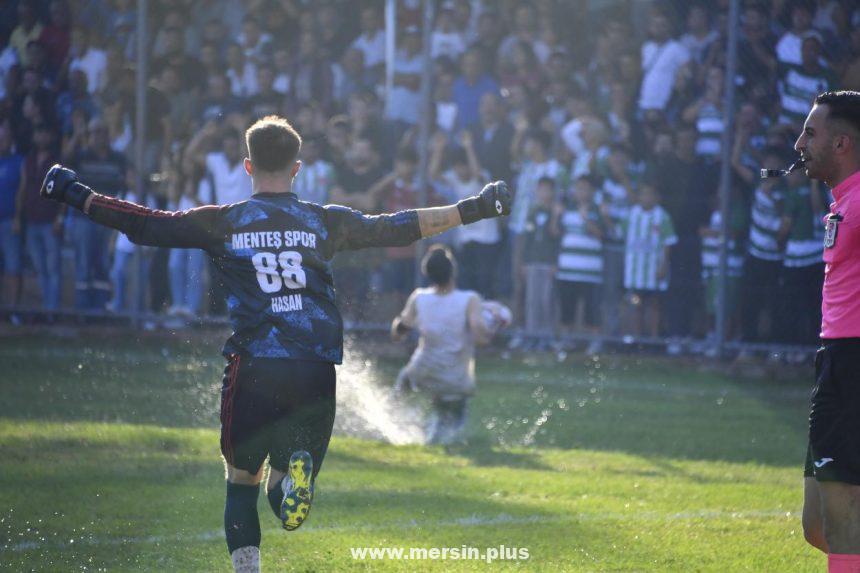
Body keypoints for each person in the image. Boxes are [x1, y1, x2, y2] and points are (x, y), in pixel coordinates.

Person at [39, 114, 510, 573]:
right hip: (314, 368)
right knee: (282, 489)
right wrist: (475, 207)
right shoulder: (324, 221)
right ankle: (291, 482)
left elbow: (147, 223)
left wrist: (77, 194)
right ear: (297, 168)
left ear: (247, 165)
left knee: (241, 483)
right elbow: (400, 225)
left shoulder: (225, 222)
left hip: (255, 366)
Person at [795, 91, 860, 570]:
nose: (800, 142)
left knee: (843, 526)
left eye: (810, 133)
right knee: (817, 526)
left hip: (854, 364)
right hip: (834, 362)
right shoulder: (843, 201)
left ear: (841, 144)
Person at [390, 245, 499, 445]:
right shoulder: (469, 299)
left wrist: (400, 325)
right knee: (450, 431)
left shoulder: (419, 297)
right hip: (455, 379)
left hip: (423, 371)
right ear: (453, 271)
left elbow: (398, 334)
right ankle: (438, 436)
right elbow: (481, 338)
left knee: (402, 382)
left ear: (427, 273)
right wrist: (496, 324)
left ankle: (395, 420)